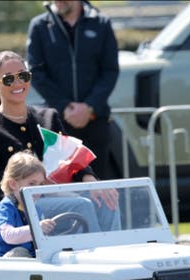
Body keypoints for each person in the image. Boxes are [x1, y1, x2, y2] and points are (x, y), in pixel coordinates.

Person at [0, 50, 119, 232]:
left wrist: (91, 181)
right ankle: (92, 257)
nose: (18, 83)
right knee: (81, 205)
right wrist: (36, 185)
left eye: (23, 76)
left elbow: (71, 157)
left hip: (57, 196)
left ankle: (112, 254)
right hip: (11, 208)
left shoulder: (48, 116)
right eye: (9, 79)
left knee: (106, 199)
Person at [27, 0, 120, 180]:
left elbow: (110, 71)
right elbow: (36, 72)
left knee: (97, 186)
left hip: (95, 121)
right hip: (57, 123)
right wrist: (64, 106)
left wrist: (89, 106)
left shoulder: (102, 24)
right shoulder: (39, 25)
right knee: (60, 186)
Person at [0, 151, 56, 257]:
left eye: (41, 184)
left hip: (27, 259)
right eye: (32, 183)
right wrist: (37, 228)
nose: (37, 189)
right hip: (2, 262)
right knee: (19, 253)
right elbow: (8, 235)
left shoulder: (36, 209)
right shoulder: (5, 208)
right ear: (13, 184)